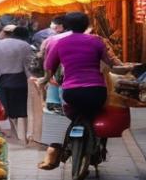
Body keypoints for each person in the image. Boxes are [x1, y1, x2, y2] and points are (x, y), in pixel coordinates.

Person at [35, 12, 125, 170]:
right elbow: (110, 63)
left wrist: (43, 80)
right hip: (96, 91)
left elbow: (49, 68)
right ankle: (98, 146)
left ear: (66, 26)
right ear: (86, 25)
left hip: (71, 92)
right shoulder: (96, 41)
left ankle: (63, 148)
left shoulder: (60, 43)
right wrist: (125, 69)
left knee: (69, 113)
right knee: (97, 113)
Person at [0, 26, 34, 143]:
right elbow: (28, 67)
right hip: (21, 81)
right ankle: (24, 137)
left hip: (3, 80)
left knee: (5, 110)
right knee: (22, 111)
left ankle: (12, 135)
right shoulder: (25, 46)